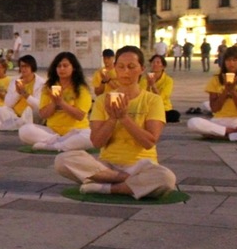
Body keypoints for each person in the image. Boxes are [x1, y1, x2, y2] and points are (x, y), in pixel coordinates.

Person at [55, 46, 177, 199]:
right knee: (62, 160)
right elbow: (97, 142)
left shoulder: (153, 100)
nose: (126, 71)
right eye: (121, 66)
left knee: (166, 178)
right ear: (115, 69)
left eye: (131, 67)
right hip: (107, 166)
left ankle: (105, 188)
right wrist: (112, 118)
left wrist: (124, 118)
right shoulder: (101, 100)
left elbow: (149, 142)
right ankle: (126, 182)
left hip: (141, 166)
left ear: (142, 69)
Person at [187, 46, 237, 142]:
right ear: (224, 62)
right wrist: (226, 91)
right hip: (219, 121)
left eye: (235, 60)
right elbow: (214, 108)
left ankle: (224, 135)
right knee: (193, 122)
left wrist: (233, 92)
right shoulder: (216, 79)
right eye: (228, 60)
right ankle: (230, 132)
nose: (231, 63)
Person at [18, 52, 94, 152]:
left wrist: (61, 102)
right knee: (24, 130)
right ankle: (60, 143)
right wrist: (54, 103)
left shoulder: (81, 89)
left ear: (74, 68)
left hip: (76, 131)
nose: (61, 69)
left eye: (65, 66)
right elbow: (43, 114)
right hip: (52, 132)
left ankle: (52, 146)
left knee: (90, 137)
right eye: (58, 66)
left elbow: (80, 116)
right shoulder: (48, 87)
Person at [0, 55, 44, 131]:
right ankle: (20, 124)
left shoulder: (41, 83)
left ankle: (15, 125)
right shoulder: (15, 81)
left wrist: (25, 94)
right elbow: (8, 103)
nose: (23, 69)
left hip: (30, 114)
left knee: (33, 112)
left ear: (32, 67)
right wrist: (18, 93)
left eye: (26, 66)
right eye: (22, 66)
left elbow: (39, 105)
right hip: (15, 115)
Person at [144, 54, 179, 123]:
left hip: (163, 107)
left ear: (163, 66)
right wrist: (148, 85)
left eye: (158, 62)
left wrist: (153, 86)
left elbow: (161, 98)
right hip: (148, 107)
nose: (155, 64)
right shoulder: (145, 79)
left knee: (174, 115)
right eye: (153, 62)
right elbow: (143, 95)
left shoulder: (168, 80)